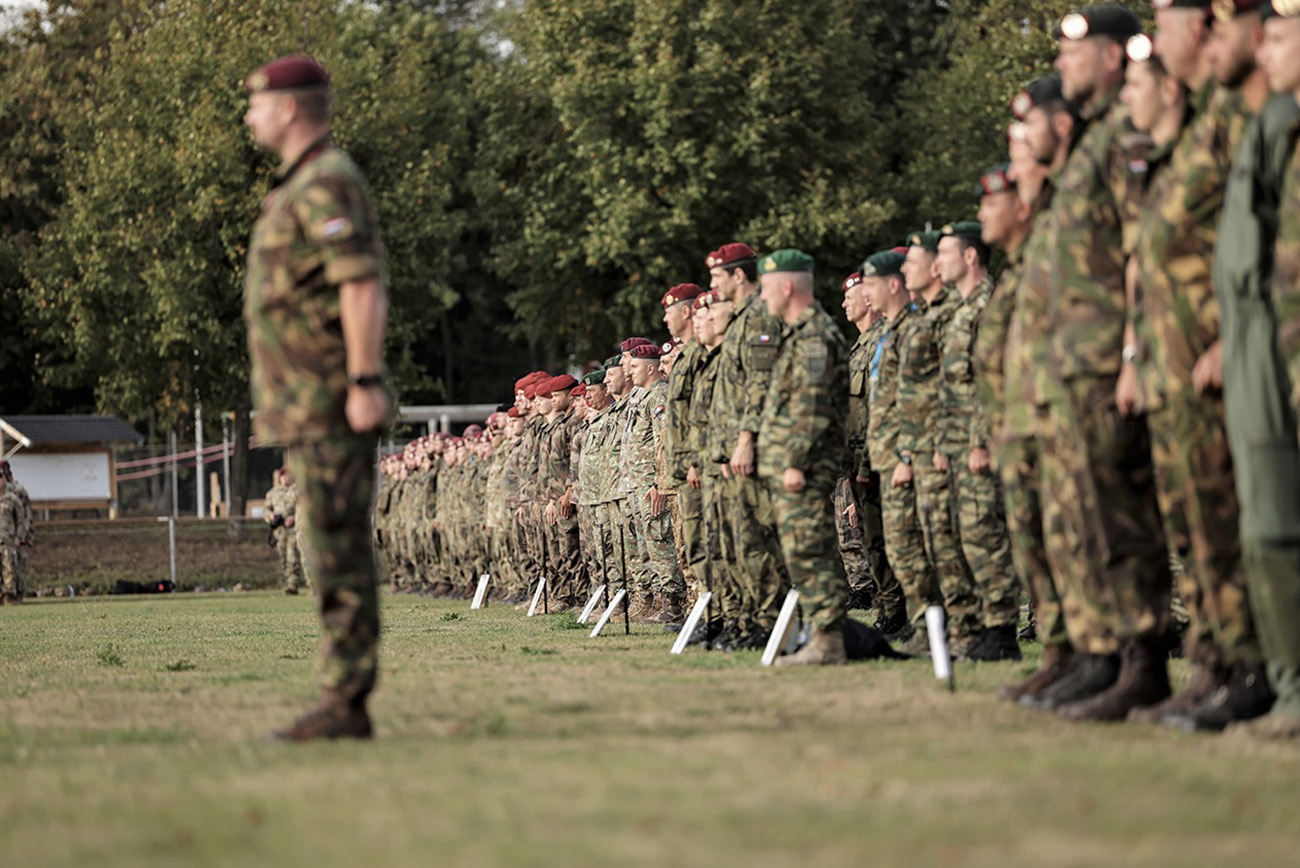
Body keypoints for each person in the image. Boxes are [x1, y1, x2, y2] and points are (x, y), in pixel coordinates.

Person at [243, 54, 392, 741]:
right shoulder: (300, 184)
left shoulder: (326, 182)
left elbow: (359, 284)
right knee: (324, 544)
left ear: (290, 108)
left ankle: (346, 700)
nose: (251, 115)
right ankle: (342, 697)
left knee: (337, 548)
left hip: (331, 396)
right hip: (305, 402)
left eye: (257, 103)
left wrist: (364, 382)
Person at [1215, 0, 1300, 741]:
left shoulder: (1283, 126)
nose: (1269, 49)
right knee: (1266, 524)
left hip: (1279, 340)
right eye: (1264, 34)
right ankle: (1285, 686)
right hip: (1256, 339)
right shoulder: (1269, 123)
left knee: (1277, 524)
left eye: (1283, 34)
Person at [755, 249, 852, 666]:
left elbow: (812, 405)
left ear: (788, 286)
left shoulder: (815, 337)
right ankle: (821, 634)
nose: (763, 297)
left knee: (811, 549)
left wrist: (795, 461)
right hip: (791, 465)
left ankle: (829, 639)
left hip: (805, 466)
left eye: (766, 288)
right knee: (802, 550)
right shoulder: (797, 334)